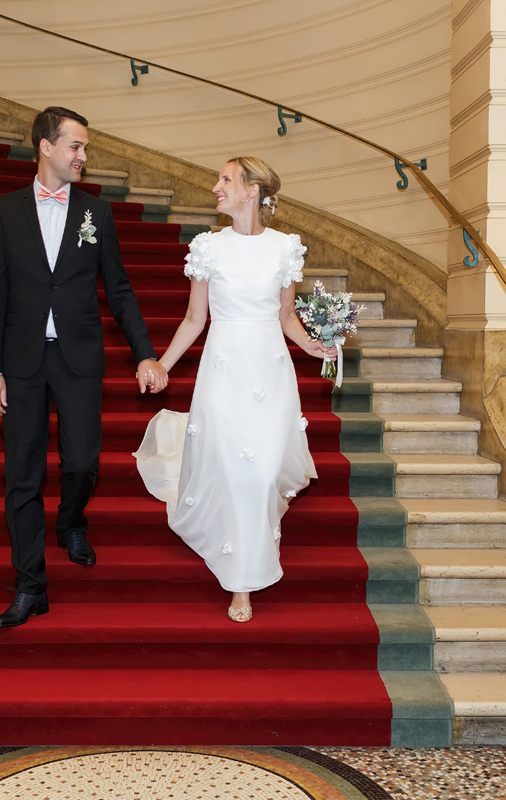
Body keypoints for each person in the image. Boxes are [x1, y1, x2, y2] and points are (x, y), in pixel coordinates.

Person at [0, 106, 169, 628]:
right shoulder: (3, 211)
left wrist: (145, 352)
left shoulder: (95, 214)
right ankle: (29, 586)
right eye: (76, 147)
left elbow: (121, 289)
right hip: (20, 360)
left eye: (84, 149)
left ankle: (70, 521)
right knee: (23, 475)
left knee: (82, 462)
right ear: (46, 147)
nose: (83, 157)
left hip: (77, 356)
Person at [133, 156, 335, 623]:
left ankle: (255, 535)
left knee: (261, 473)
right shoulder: (207, 247)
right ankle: (241, 583)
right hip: (222, 373)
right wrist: (161, 365)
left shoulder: (285, 248)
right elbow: (194, 320)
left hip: (269, 371)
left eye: (226, 180)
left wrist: (313, 344)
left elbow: (286, 317)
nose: (215, 187)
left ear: (253, 191)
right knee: (237, 472)